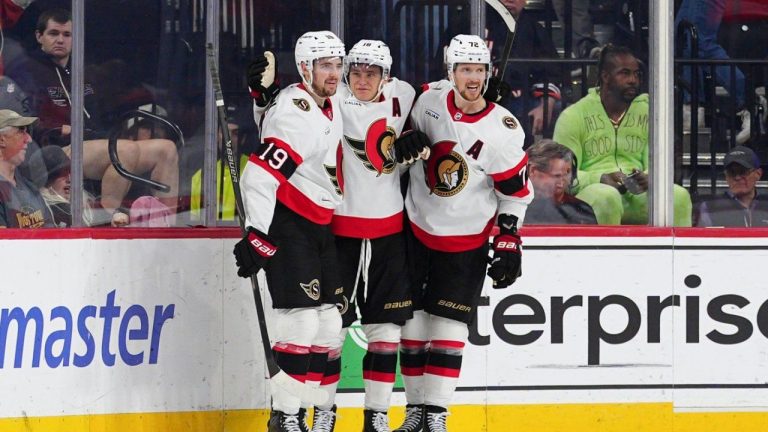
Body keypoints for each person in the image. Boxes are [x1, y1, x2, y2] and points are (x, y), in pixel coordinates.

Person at [396, 35, 532, 432]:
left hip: (467, 238)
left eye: (479, 70)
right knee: (414, 326)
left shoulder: (503, 129)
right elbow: (397, 122)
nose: (473, 78)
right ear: (449, 72)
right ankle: (415, 409)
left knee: (450, 327)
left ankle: (436, 413)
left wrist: (508, 239)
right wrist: (405, 140)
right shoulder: (428, 100)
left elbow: (516, 194)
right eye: (465, 69)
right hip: (417, 226)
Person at [233, 30, 346, 432]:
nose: (334, 73)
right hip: (289, 220)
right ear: (305, 68)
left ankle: (321, 411)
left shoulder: (327, 102)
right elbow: (259, 176)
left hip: (320, 223)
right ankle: (286, 417)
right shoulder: (297, 111)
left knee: (331, 324)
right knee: (300, 321)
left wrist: (261, 102)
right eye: (325, 65)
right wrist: (256, 233)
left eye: (337, 64)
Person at [7, 8, 179, 218]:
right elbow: (23, 119)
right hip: (56, 149)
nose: (60, 40)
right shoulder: (28, 71)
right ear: (39, 37)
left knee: (166, 149)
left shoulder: (84, 71)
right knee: (124, 151)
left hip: (95, 144)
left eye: (67, 34)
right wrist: (55, 130)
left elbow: (105, 114)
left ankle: (168, 223)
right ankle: (106, 219)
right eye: (53, 33)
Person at [553, 44, 693, 226]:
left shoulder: (649, 113)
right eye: (624, 73)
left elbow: (659, 161)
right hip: (591, 192)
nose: (633, 80)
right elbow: (562, 174)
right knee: (607, 197)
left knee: (678, 196)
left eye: (636, 74)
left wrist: (650, 176)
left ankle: (676, 255)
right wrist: (599, 178)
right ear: (605, 76)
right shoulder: (573, 116)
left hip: (638, 194)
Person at [485, 0, 562, 146]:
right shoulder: (469, 22)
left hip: (519, 104)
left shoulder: (533, 29)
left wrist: (546, 103)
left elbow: (552, 72)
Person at [38, 145, 128, 227]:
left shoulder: (88, 205)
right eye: (62, 174)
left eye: (70, 172)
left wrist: (115, 217)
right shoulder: (45, 212)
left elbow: (107, 219)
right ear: (47, 182)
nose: (69, 180)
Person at [0, 108, 54, 228]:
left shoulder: (28, 186)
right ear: (2, 139)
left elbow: (50, 231)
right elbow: (4, 244)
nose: (29, 139)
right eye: (21, 131)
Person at [526, 139, 597, 224]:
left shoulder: (581, 212)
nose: (562, 183)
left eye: (567, 175)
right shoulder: (511, 209)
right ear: (532, 171)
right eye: (557, 176)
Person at [696, 145, 768, 227]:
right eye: (732, 172)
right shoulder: (710, 208)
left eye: (743, 171)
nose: (737, 177)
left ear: (758, 174)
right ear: (726, 176)